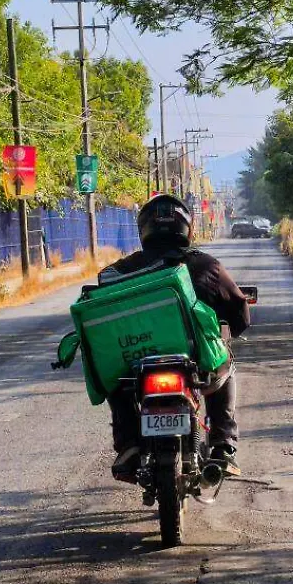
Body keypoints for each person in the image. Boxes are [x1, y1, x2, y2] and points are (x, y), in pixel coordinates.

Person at [99, 193, 250, 481]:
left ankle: (129, 444)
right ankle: (223, 444)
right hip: (195, 363)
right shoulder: (207, 266)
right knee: (226, 365)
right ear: (187, 228)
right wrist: (231, 331)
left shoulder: (121, 271)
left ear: (144, 229)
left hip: (138, 363)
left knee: (115, 378)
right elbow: (239, 311)